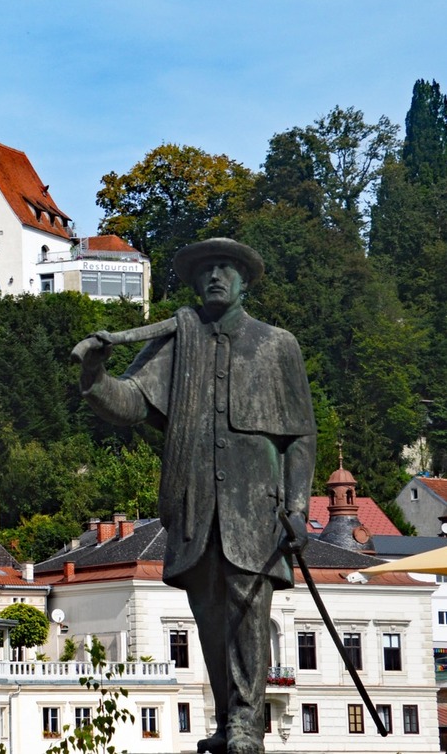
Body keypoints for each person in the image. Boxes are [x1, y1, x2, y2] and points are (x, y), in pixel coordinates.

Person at [73, 238, 315, 754]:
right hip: (196, 506)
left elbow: (300, 438)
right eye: (206, 269)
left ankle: (247, 723)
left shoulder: (277, 346)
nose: (215, 276)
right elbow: (131, 403)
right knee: (209, 618)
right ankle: (228, 722)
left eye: (226, 268)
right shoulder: (177, 343)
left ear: (245, 280)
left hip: (256, 509)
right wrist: (95, 374)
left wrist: (298, 508)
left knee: (248, 610)